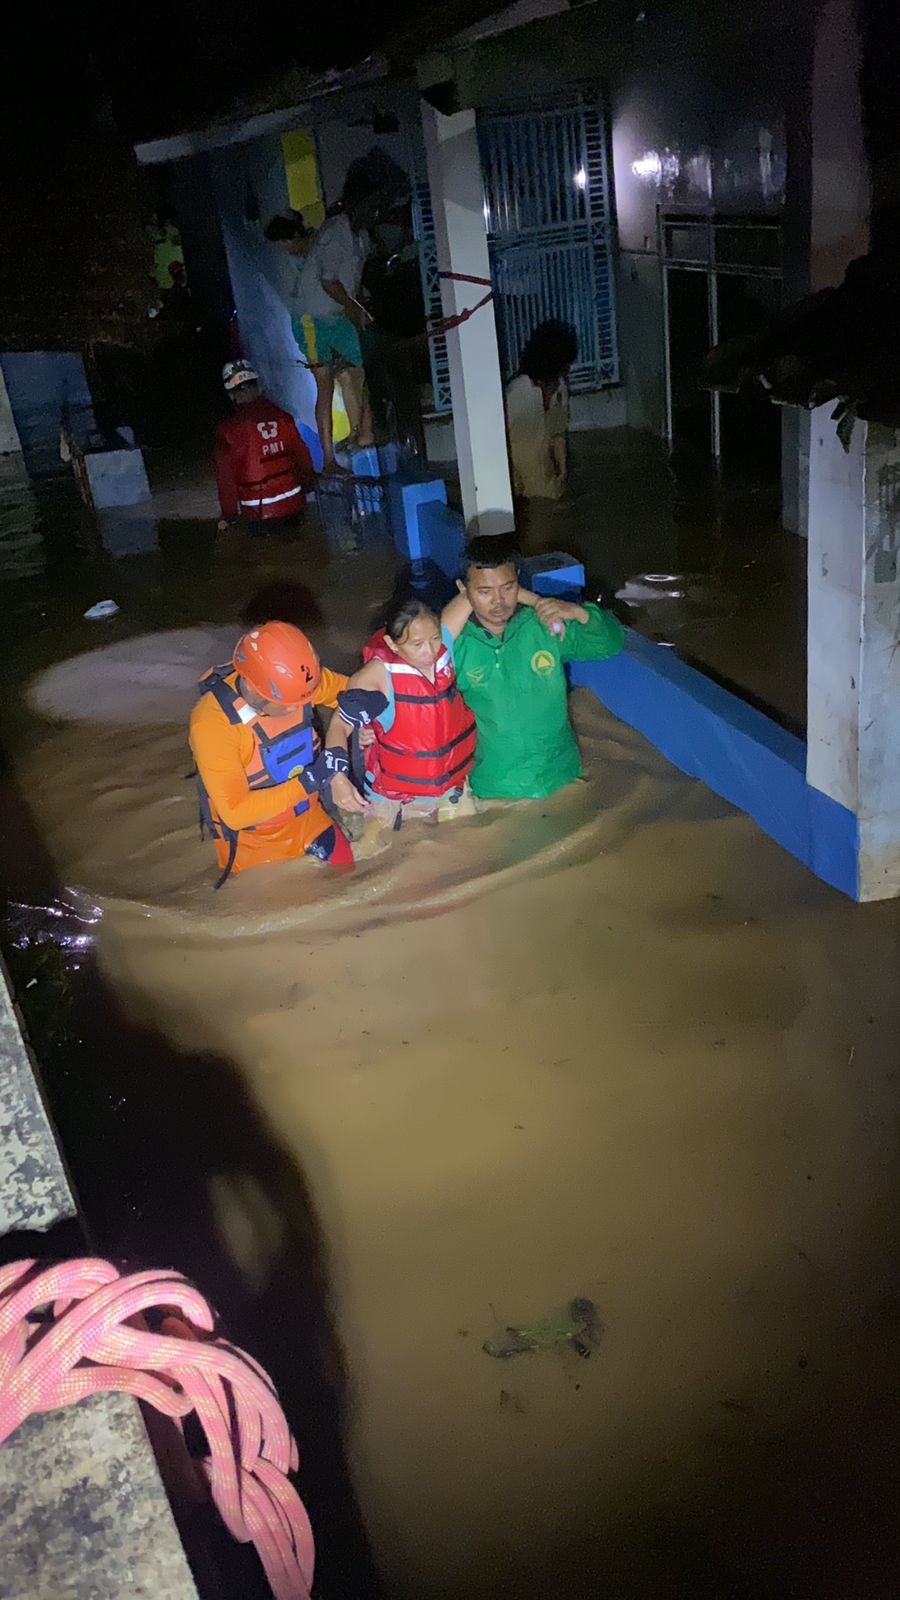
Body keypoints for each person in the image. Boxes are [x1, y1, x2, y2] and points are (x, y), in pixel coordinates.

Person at [442, 538, 625, 800]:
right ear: (464, 590)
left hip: (562, 777)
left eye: (508, 587)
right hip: (494, 788)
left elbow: (610, 644)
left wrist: (577, 612)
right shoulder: (458, 645)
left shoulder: (544, 625)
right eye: (484, 591)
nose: (499, 601)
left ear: (518, 578)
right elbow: (418, 671)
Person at [189, 621, 368, 886]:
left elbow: (356, 693)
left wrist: (365, 723)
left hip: (308, 819)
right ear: (254, 689)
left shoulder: (299, 686)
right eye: (288, 705)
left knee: (349, 881)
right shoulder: (212, 725)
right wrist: (312, 779)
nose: (300, 707)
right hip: (255, 843)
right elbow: (236, 813)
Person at [325, 598, 478, 835]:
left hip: (451, 788)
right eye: (417, 644)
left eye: (435, 638)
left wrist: (540, 604)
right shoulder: (375, 675)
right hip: (396, 800)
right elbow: (339, 724)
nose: (430, 651)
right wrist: (337, 779)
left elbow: (474, 590)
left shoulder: (443, 645)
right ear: (392, 644)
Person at [291, 180, 376, 472]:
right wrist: (356, 309)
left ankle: (364, 436)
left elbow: (352, 283)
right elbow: (329, 282)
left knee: (367, 365)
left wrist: (359, 308)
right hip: (311, 319)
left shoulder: (361, 236)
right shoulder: (335, 231)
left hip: (336, 316)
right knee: (324, 384)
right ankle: (328, 460)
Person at [214, 360, 315, 534]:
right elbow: (303, 458)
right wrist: (308, 485)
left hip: (258, 514)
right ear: (259, 387)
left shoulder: (229, 431)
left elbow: (226, 480)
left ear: (232, 395)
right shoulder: (284, 418)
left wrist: (228, 516)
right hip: (294, 507)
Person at [505, 319, 578, 501]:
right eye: (564, 364)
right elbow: (503, 441)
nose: (567, 370)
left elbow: (559, 434)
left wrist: (562, 474)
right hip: (519, 486)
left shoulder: (560, 390)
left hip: (548, 482)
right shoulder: (517, 391)